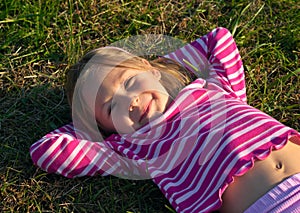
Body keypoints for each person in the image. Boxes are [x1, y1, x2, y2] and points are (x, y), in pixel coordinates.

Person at [30, 27, 300, 212]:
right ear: (108, 129)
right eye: (112, 107)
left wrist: (162, 68)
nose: (131, 101)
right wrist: (92, 128)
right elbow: (46, 151)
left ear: (152, 70)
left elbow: (219, 40)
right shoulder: (132, 149)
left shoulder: (214, 88)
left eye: (131, 81)